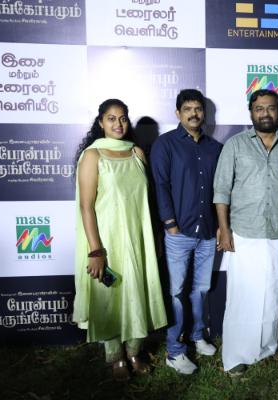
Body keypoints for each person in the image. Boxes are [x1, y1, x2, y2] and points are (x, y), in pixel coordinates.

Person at [73, 99, 167, 381]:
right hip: (107, 239)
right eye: (111, 118)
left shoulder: (137, 152)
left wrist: (155, 236)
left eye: (123, 118)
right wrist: (95, 250)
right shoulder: (93, 155)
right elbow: (86, 207)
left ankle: (135, 351)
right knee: (111, 297)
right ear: (100, 122)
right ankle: (115, 356)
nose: (118, 124)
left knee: (138, 291)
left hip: (138, 237)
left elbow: (147, 200)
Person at [213, 89, 278, 375]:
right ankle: (236, 355)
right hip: (243, 230)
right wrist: (224, 229)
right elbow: (221, 190)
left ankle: (268, 346)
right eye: (259, 108)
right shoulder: (235, 145)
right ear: (251, 112)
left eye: (271, 108)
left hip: (277, 230)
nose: (265, 113)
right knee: (242, 294)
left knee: (273, 291)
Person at [150, 89, 222, 375]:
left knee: (201, 289)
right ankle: (175, 350)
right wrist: (170, 223)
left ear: (204, 113)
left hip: (208, 232)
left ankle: (197, 336)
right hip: (178, 233)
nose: (194, 113)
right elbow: (160, 185)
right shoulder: (165, 144)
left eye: (198, 109)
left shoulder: (214, 147)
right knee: (177, 292)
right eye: (188, 109)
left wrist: (220, 226)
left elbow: (220, 190)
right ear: (178, 113)